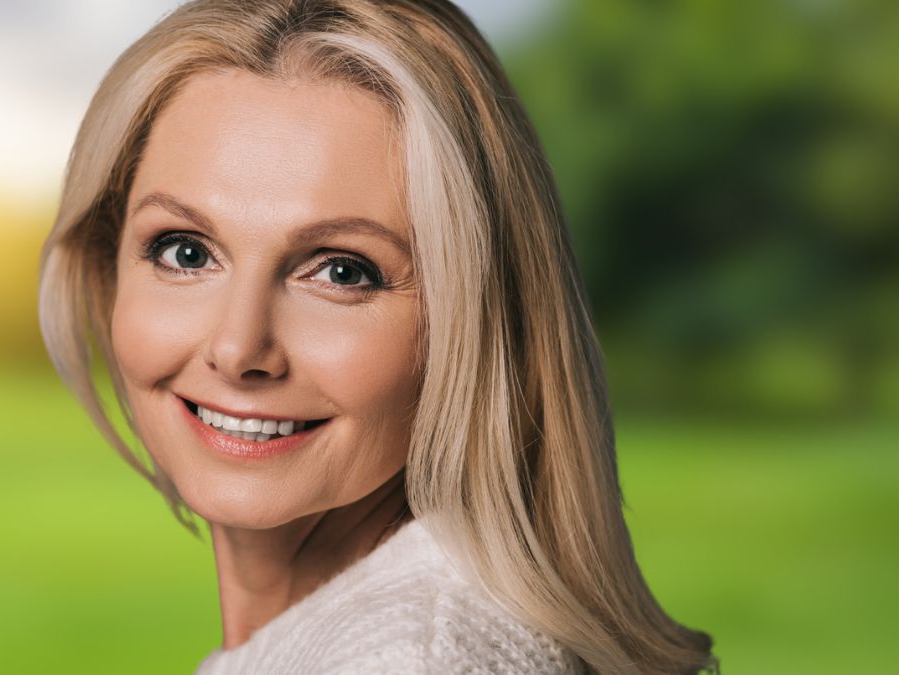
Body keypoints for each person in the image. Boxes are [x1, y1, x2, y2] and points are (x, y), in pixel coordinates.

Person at [37, 1, 718, 673]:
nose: (239, 347)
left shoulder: (414, 658)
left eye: (341, 270)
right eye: (185, 252)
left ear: (473, 320)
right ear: (107, 267)